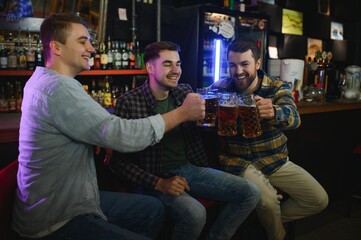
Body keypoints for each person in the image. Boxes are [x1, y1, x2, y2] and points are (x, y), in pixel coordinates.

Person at [12, 13, 206, 240]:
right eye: (82, 41)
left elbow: (87, 124)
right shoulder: (59, 88)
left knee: (152, 210)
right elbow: (121, 135)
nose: (92, 49)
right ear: (56, 47)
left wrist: (96, 137)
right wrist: (182, 113)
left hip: (65, 200)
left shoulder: (42, 80)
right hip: (57, 218)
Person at [108, 41, 260, 240]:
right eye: (167, 64)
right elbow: (117, 162)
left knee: (250, 193)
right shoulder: (128, 102)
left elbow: (208, 124)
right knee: (195, 214)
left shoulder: (184, 92)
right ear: (149, 67)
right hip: (152, 176)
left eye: (178, 64)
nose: (175, 70)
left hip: (189, 169)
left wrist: (237, 109)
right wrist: (159, 183)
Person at [210, 37, 329, 240]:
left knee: (318, 199)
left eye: (244, 64)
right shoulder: (220, 88)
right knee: (267, 202)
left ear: (257, 64)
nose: (238, 71)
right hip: (237, 162)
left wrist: (274, 112)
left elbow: (294, 119)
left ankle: (265, 219)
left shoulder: (276, 87)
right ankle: (274, 230)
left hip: (274, 159)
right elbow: (205, 120)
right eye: (232, 65)